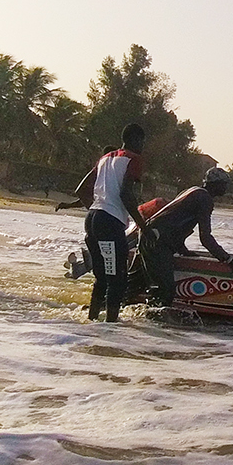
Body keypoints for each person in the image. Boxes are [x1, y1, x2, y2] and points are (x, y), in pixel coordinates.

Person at [138, 166, 233, 305]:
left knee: (146, 284)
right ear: (215, 184)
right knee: (166, 291)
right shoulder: (205, 199)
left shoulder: (191, 191)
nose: (225, 188)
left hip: (151, 237)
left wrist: (183, 250)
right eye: (224, 184)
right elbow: (205, 237)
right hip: (157, 241)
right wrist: (229, 260)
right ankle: (152, 321)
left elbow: (175, 220)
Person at [84, 123, 149, 322]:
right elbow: (126, 195)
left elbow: (81, 189)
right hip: (109, 224)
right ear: (135, 139)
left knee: (102, 277)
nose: (143, 146)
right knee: (117, 277)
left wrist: (100, 206)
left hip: (92, 219)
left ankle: (92, 319)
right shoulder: (133, 159)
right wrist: (143, 226)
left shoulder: (104, 158)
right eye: (142, 142)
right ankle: (110, 325)